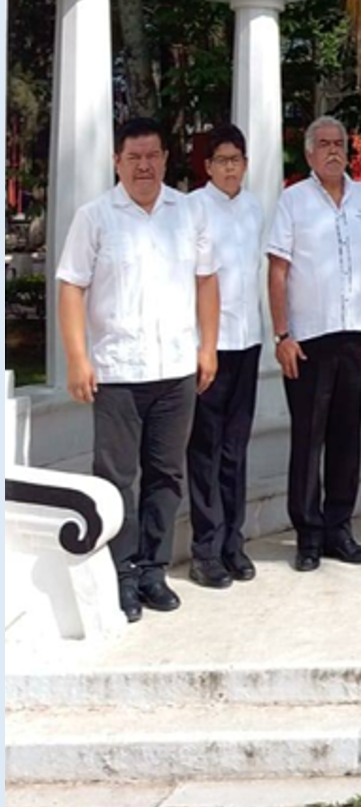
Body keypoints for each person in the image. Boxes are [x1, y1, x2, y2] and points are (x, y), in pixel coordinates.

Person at [56, 116, 219, 622]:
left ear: (166, 160)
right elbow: (70, 287)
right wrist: (78, 358)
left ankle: (153, 569)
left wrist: (208, 348)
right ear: (117, 162)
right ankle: (120, 573)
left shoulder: (187, 213)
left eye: (152, 156)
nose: (144, 166)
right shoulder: (96, 216)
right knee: (116, 478)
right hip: (118, 373)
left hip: (175, 370)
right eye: (134, 158)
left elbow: (207, 281)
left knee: (166, 476)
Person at [267, 116, 361, 572]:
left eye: (339, 143)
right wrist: (282, 334)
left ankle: (340, 527)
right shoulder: (293, 201)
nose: (332, 150)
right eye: (323, 144)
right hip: (309, 339)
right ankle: (308, 534)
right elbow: (278, 269)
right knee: (309, 438)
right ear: (308, 154)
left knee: (346, 437)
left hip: (354, 335)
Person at [185, 125, 263, 589]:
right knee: (206, 452)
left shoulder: (254, 208)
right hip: (209, 348)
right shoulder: (193, 209)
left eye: (237, 158)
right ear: (208, 166)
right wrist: (201, 346)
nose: (230, 167)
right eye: (222, 159)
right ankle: (205, 549)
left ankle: (234, 543)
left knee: (236, 450)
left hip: (247, 342)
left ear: (245, 163)